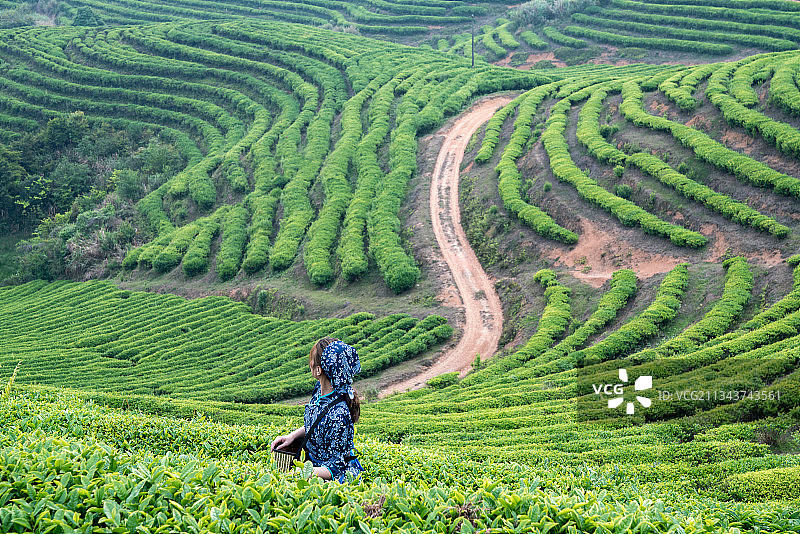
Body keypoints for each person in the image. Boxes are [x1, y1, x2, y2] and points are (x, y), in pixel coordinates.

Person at [271, 337, 364, 483]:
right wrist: (292, 436)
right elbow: (318, 424)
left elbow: (336, 467)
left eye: (312, 362)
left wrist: (303, 472)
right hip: (312, 464)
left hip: (330, 477)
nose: (310, 364)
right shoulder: (319, 391)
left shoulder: (339, 414)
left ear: (319, 370)